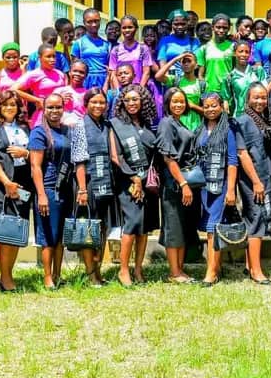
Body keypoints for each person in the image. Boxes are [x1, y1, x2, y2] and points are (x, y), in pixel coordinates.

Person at [29, 93, 88, 289]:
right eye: (50, 107)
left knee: (61, 235)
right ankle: (47, 277)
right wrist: (41, 195)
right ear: (44, 109)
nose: (54, 111)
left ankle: (57, 274)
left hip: (66, 188)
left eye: (58, 107)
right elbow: (35, 167)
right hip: (48, 189)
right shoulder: (39, 132)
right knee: (49, 236)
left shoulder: (67, 130)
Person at [109, 85, 160, 287]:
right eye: (128, 100)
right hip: (128, 181)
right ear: (122, 102)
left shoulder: (148, 124)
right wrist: (134, 178)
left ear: (143, 101)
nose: (131, 103)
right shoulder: (116, 125)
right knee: (132, 224)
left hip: (148, 181)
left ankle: (138, 269)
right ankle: (123, 270)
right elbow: (116, 156)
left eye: (135, 99)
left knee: (144, 226)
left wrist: (145, 178)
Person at [0, 90, 32, 292]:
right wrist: (6, 183)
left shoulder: (25, 127)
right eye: (6, 104)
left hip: (23, 183)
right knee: (6, 227)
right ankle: (6, 278)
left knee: (17, 227)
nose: (10, 107)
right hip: (0, 184)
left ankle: (6, 273)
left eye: (13, 104)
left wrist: (26, 153)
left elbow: (35, 153)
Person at [156, 87, 202, 283]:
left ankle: (180, 270)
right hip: (173, 184)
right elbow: (168, 157)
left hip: (184, 182)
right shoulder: (166, 124)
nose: (179, 104)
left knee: (182, 227)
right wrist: (183, 183)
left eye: (182, 101)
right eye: (174, 101)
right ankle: (174, 273)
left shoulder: (179, 122)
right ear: (167, 103)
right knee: (173, 227)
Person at [194, 93, 239, 286]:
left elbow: (232, 161)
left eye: (214, 105)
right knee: (208, 228)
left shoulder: (228, 129)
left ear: (222, 107)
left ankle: (211, 273)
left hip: (220, 186)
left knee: (213, 228)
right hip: (203, 186)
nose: (210, 109)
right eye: (206, 106)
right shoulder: (200, 129)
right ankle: (216, 266)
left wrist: (231, 190)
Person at [235, 83, 271, 284]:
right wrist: (256, 182)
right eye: (256, 97)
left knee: (254, 219)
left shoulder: (261, 120)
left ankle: (249, 265)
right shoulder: (243, 121)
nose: (260, 101)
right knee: (256, 219)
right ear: (247, 99)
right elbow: (243, 154)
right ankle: (257, 272)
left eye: (263, 97)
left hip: (263, 176)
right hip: (252, 180)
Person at [80, 88, 117, 287]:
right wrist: (82, 189)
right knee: (89, 227)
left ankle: (98, 271)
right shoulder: (79, 125)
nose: (98, 106)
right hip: (88, 183)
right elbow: (78, 160)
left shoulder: (107, 125)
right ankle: (90, 273)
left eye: (102, 102)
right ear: (86, 103)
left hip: (106, 183)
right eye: (94, 102)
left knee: (102, 227)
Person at [12, 43, 67, 128]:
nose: (52, 59)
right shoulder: (34, 74)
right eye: (48, 56)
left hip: (60, 117)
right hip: (42, 117)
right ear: (40, 58)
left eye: (54, 56)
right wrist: (37, 100)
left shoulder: (60, 74)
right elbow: (13, 89)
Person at [155, 51, 205, 131]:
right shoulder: (175, 80)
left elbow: (207, 110)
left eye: (189, 61)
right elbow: (158, 76)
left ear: (196, 65)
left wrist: (192, 106)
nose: (186, 64)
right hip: (177, 125)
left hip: (196, 126)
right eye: (183, 62)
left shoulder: (202, 84)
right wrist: (175, 59)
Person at [108, 15, 154, 89]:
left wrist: (139, 90)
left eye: (130, 27)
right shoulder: (115, 50)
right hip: (121, 91)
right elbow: (113, 74)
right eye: (124, 28)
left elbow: (146, 73)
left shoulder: (143, 49)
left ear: (136, 28)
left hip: (138, 89)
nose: (127, 30)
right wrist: (118, 92)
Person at [222, 40, 266, 117]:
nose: (244, 54)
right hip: (240, 116)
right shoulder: (229, 77)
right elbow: (226, 100)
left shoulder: (258, 71)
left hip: (258, 116)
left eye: (247, 52)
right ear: (234, 53)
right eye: (241, 51)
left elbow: (266, 92)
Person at [71, 8, 110, 90]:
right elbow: (75, 68)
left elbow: (108, 66)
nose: (94, 24)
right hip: (85, 81)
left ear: (100, 21)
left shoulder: (107, 44)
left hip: (103, 82)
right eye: (89, 22)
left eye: (96, 21)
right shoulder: (78, 44)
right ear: (84, 22)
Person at [197, 13, 234, 94]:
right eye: (218, 27)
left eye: (225, 28)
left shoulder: (233, 47)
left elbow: (235, 69)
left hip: (227, 91)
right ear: (212, 27)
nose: (221, 30)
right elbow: (200, 75)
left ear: (228, 29)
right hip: (210, 91)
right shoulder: (204, 48)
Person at [157, 9, 200, 78]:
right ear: (171, 24)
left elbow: (197, 63)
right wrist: (170, 79)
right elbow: (162, 62)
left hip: (188, 80)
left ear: (187, 23)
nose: (180, 27)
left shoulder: (194, 41)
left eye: (183, 24)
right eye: (176, 24)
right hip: (170, 80)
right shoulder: (165, 41)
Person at [55, 59, 88, 126]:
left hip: (80, 127)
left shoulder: (87, 94)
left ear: (86, 75)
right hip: (60, 127)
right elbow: (49, 109)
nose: (77, 74)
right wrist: (59, 101)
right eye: (75, 71)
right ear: (69, 72)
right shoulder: (59, 91)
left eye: (81, 72)